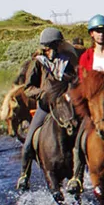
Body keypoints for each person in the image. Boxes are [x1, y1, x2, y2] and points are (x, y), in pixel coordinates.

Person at [17, 26, 80, 192]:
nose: (55, 49)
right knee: (29, 140)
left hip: (65, 106)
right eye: (53, 46)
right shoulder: (38, 63)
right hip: (45, 107)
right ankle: (24, 175)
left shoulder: (66, 61)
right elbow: (28, 88)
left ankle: (79, 176)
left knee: (81, 134)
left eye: (57, 45)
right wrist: (42, 94)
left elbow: (75, 80)